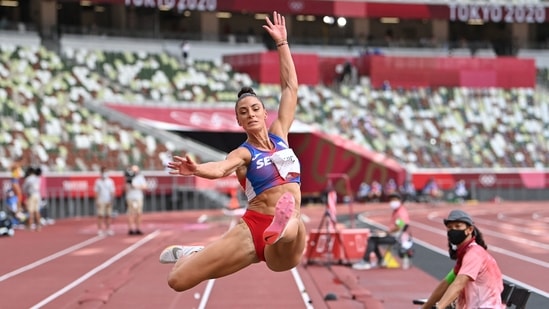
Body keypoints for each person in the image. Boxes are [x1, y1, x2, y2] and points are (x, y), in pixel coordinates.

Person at [159, 11, 306, 293]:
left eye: (254, 109)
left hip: (286, 236)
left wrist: (282, 44)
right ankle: (194, 254)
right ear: (238, 121)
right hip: (253, 229)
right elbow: (221, 168)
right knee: (177, 281)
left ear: (264, 113)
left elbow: (290, 88)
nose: (250, 114)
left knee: (290, 230)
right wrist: (198, 169)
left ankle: (283, 223)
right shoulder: (244, 154)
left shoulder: (280, 136)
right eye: (243, 112)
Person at [421, 209, 503, 309]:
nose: (453, 230)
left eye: (458, 226)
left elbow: (458, 284)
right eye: (450, 228)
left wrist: (439, 307)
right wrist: (425, 307)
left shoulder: (474, 254)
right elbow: (446, 283)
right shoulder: (465, 254)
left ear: (470, 230)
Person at [352, 193, 410, 270]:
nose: (392, 202)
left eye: (394, 200)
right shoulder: (397, 211)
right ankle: (380, 260)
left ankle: (365, 261)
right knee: (374, 237)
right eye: (391, 200)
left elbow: (400, 226)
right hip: (393, 234)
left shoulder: (401, 212)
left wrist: (386, 233)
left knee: (372, 239)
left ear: (400, 201)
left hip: (396, 237)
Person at [125, 165, 148, 235]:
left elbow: (145, 187)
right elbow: (125, 189)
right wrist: (128, 184)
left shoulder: (140, 177)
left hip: (138, 197)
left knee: (138, 213)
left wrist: (135, 186)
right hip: (130, 198)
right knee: (130, 213)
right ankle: (131, 229)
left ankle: (138, 228)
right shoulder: (128, 178)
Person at [94, 166, 116, 236]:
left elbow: (112, 191)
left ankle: (108, 229)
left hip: (108, 200)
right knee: (100, 215)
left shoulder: (110, 181)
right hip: (101, 200)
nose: (105, 173)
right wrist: (96, 201)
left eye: (106, 172)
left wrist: (112, 200)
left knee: (108, 215)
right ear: (101, 173)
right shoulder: (98, 182)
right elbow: (96, 192)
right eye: (103, 172)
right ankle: (100, 229)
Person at [22, 166, 42, 231]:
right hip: (38, 195)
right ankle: (38, 226)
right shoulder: (37, 178)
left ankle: (30, 225)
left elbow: (24, 188)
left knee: (30, 211)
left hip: (31, 195)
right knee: (37, 211)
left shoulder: (29, 178)